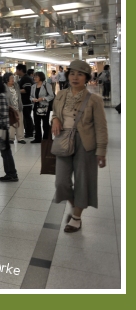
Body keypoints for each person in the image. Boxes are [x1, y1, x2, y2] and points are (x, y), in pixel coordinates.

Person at [51, 60, 108, 233]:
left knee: (83, 181)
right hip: (63, 140)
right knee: (61, 182)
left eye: (80, 74)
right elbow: (54, 112)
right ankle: (77, 204)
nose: (75, 77)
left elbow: (101, 126)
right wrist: (55, 119)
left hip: (85, 144)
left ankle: (76, 217)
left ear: (86, 78)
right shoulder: (60, 95)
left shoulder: (94, 99)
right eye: (72, 73)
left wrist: (101, 151)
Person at [30, 72, 55, 143]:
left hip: (44, 107)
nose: (34, 78)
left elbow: (51, 95)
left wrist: (43, 98)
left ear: (41, 77)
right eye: (34, 77)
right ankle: (38, 138)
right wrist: (33, 99)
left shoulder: (47, 85)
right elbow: (31, 96)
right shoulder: (33, 86)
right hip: (36, 106)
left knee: (45, 123)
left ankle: (46, 138)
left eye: (36, 77)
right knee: (37, 123)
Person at [3, 73, 26, 144]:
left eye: (13, 78)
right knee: (11, 123)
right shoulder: (3, 87)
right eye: (11, 78)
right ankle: (11, 138)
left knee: (20, 123)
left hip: (18, 107)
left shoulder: (16, 85)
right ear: (7, 79)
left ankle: (20, 138)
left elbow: (19, 95)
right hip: (9, 109)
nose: (13, 80)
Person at [16, 64, 35, 139]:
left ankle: (29, 132)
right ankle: (29, 130)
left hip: (26, 101)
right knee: (26, 117)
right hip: (24, 101)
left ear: (20, 70)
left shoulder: (26, 79)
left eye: (17, 70)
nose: (16, 71)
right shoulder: (23, 78)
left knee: (27, 117)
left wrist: (16, 91)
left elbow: (27, 90)